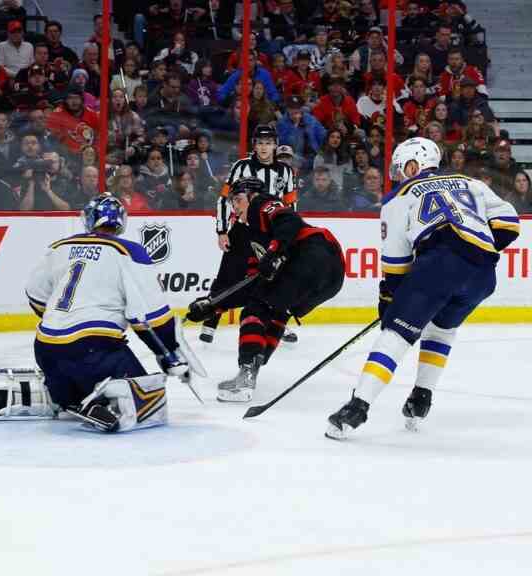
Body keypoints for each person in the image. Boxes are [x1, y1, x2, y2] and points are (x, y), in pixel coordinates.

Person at [326, 137, 520, 439]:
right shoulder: (469, 182)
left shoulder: (397, 197)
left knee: (397, 333)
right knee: (442, 329)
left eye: (401, 168)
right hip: (483, 274)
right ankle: (421, 399)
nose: (398, 174)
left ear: (413, 164)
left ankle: (356, 408)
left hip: (440, 264)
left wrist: (390, 298)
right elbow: (509, 222)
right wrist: (476, 248)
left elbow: (395, 261)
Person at [25, 194, 195, 432]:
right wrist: (169, 355)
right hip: (94, 353)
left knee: (68, 387)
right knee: (149, 402)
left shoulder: (59, 247)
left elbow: (35, 296)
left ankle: (69, 396)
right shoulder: (129, 252)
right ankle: (100, 400)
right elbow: (148, 317)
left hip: (45, 350)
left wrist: (61, 319)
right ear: (121, 222)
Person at [187, 177, 345, 402]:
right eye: (232, 202)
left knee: (257, 308)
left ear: (251, 197)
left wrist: (274, 252)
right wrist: (214, 306)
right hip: (331, 278)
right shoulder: (250, 236)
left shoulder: (263, 203)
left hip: (315, 253)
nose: (235, 207)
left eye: (238, 200)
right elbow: (253, 284)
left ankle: (247, 374)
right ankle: (254, 365)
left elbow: (289, 221)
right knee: (276, 309)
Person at [204, 124, 298, 345]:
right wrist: (222, 230)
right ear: (254, 145)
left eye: (268, 143)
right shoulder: (241, 167)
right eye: (260, 143)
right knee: (228, 274)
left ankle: (274, 322)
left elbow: (291, 204)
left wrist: (289, 232)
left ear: (275, 145)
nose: (264, 147)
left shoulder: (285, 171)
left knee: (274, 277)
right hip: (243, 230)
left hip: (270, 231)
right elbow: (224, 198)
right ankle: (210, 319)